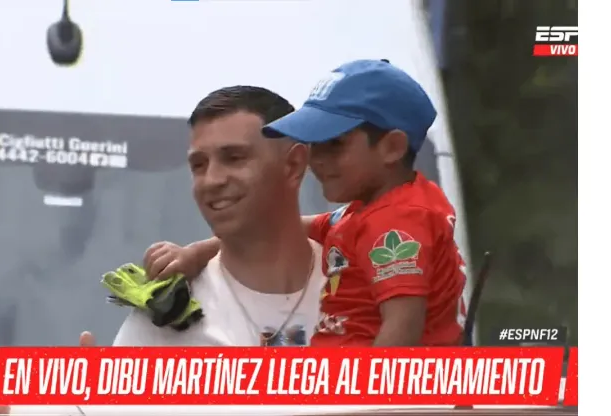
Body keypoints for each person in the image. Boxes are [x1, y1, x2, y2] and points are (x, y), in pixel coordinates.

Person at [145, 59, 467, 347]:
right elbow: (298, 226)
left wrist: (366, 405)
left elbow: (403, 327)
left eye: (335, 145)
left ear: (392, 147)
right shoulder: (373, 212)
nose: (317, 159)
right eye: (315, 144)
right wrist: (197, 252)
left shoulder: (399, 222)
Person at [97, 86, 326, 346]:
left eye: (234, 158)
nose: (212, 180)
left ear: (293, 164)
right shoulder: (165, 316)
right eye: (199, 165)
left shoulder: (365, 283)